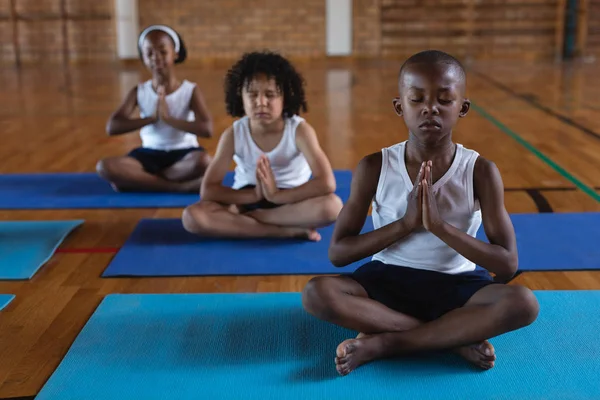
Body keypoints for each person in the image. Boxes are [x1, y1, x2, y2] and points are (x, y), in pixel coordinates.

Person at [301, 50, 540, 375]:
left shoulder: (480, 171)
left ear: (462, 107)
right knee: (317, 294)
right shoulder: (374, 166)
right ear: (400, 106)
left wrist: (440, 227)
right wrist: (406, 223)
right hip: (387, 280)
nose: (431, 108)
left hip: (458, 284)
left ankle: (386, 343)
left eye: (444, 99)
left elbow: (507, 263)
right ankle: (452, 337)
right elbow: (339, 253)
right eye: (417, 99)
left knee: (523, 303)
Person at [182, 51, 342, 241]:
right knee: (192, 217)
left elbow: (326, 183)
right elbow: (208, 190)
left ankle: (256, 221)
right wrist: (254, 195)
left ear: (285, 97)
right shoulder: (234, 134)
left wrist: (276, 196)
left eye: (270, 95)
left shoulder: (299, 130)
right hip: (247, 199)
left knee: (333, 207)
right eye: (252, 95)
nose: (260, 103)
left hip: (291, 202)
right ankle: (284, 231)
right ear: (240, 96)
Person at [97, 24, 213, 193]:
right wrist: (151, 118)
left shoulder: (189, 90)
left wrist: (168, 119)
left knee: (204, 162)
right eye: (149, 53)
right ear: (143, 58)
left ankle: (141, 181)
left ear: (175, 53)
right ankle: (177, 187)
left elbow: (207, 129)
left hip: (184, 153)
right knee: (105, 167)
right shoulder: (140, 91)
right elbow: (113, 126)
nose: (156, 57)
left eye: (162, 52)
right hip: (148, 154)